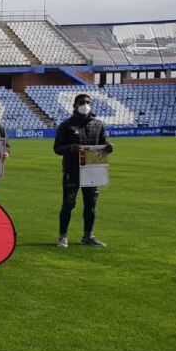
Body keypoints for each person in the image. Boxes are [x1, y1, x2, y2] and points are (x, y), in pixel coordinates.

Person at [54, 92, 113, 247]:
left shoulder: (98, 124)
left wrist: (108, 148)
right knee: (68, 204)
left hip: (92, 171)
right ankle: (62, 236)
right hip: (72, 171)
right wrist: (70, 148)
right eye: (81, 102)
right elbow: (57, 148)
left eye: (87, 102)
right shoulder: (66, 125)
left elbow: (102, 145)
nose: (85, 105)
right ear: (74, 106)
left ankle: (88, 235)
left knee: (91, 205)